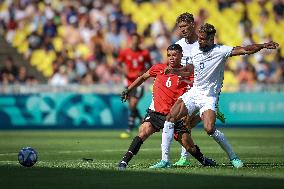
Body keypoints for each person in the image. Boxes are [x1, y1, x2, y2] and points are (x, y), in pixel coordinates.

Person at [162, 23, 279, 168]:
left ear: (212, 39)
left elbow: (245, 50)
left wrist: (263, 45)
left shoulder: (221, 51)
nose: (200, 41)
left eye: (203, 39)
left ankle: (233, 157)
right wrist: (175, 72)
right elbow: (189, 70)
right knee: (170, 118)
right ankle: (165, 160)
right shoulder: (194, 50)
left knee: (209, 129)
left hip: (209, 96)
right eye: (199, 38)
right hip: (194, 92)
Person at [118, 44, 216, 170]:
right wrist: (128, 89)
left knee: (189, 146)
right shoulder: (158, 68)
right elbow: (142, 77)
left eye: (174, 55)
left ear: (181, 55)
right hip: (156, 113)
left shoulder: (187, 73)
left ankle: (203, 160)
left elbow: (196, 92)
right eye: (169, 55)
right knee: (143, 132)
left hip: (175, 116)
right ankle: (124, 161)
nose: (171, 58)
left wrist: (191, 113)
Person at [150, 12, 225, 168]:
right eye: (180, 27)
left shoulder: (202, 43)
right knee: (183, 121)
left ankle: (184, 156)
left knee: (185, 122)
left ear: (193, 24)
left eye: (185, 26)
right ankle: (184, 154)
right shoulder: (179, 45)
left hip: (199, 85)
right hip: (184, 86)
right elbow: (178, 65)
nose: (182, 29)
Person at [117, 33, 152, 139]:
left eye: (137, 40)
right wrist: (123, 70)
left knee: (133, 104)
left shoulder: (144, 53)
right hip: (127, 82)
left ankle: (129, 128)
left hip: (139, 82)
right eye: (133, 40)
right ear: (130, 41)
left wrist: (143, 72)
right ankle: (142, 119)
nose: (135, 42)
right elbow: (118, 63)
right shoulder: (125, 52)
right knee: (131, 106)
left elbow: (150, 65)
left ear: (139, 41)